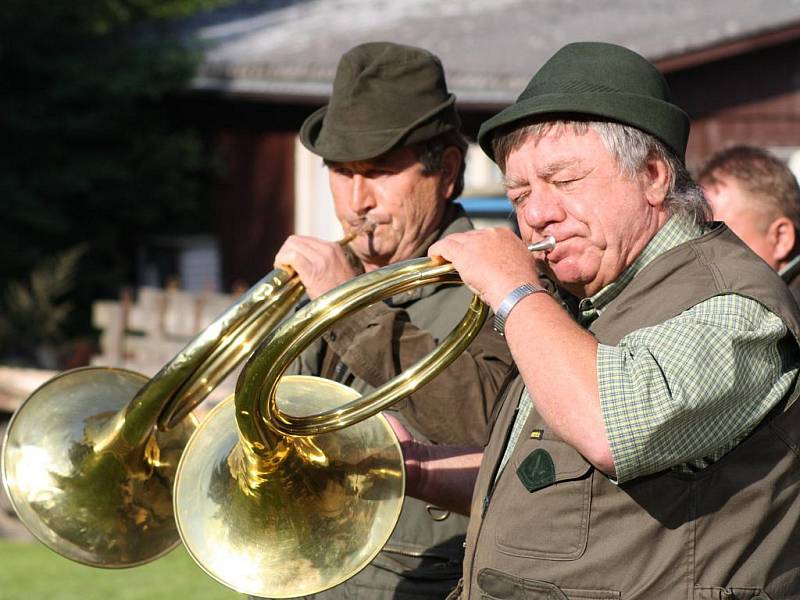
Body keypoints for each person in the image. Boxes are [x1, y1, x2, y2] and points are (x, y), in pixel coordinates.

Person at [392, 42, 800, 599]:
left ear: (654, 175)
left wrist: (516, 293)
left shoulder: (733, 303)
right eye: (520, 192)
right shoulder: (585, 304)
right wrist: (413, 469)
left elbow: (611, 428)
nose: (536, 214)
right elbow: (543, 481)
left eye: (564, 181)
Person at [267, 42, 515, 599]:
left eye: (379, 172)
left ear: (447, 171)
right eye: (341, 172)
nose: (357, 201)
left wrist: (346, 304)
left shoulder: (491, 280)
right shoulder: (329, 280)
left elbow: (490, 425)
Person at [697, 144, 800, 301]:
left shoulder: (785, 314)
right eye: (697, 238)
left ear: (781, 238)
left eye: (722, 239)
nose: (703, 258)